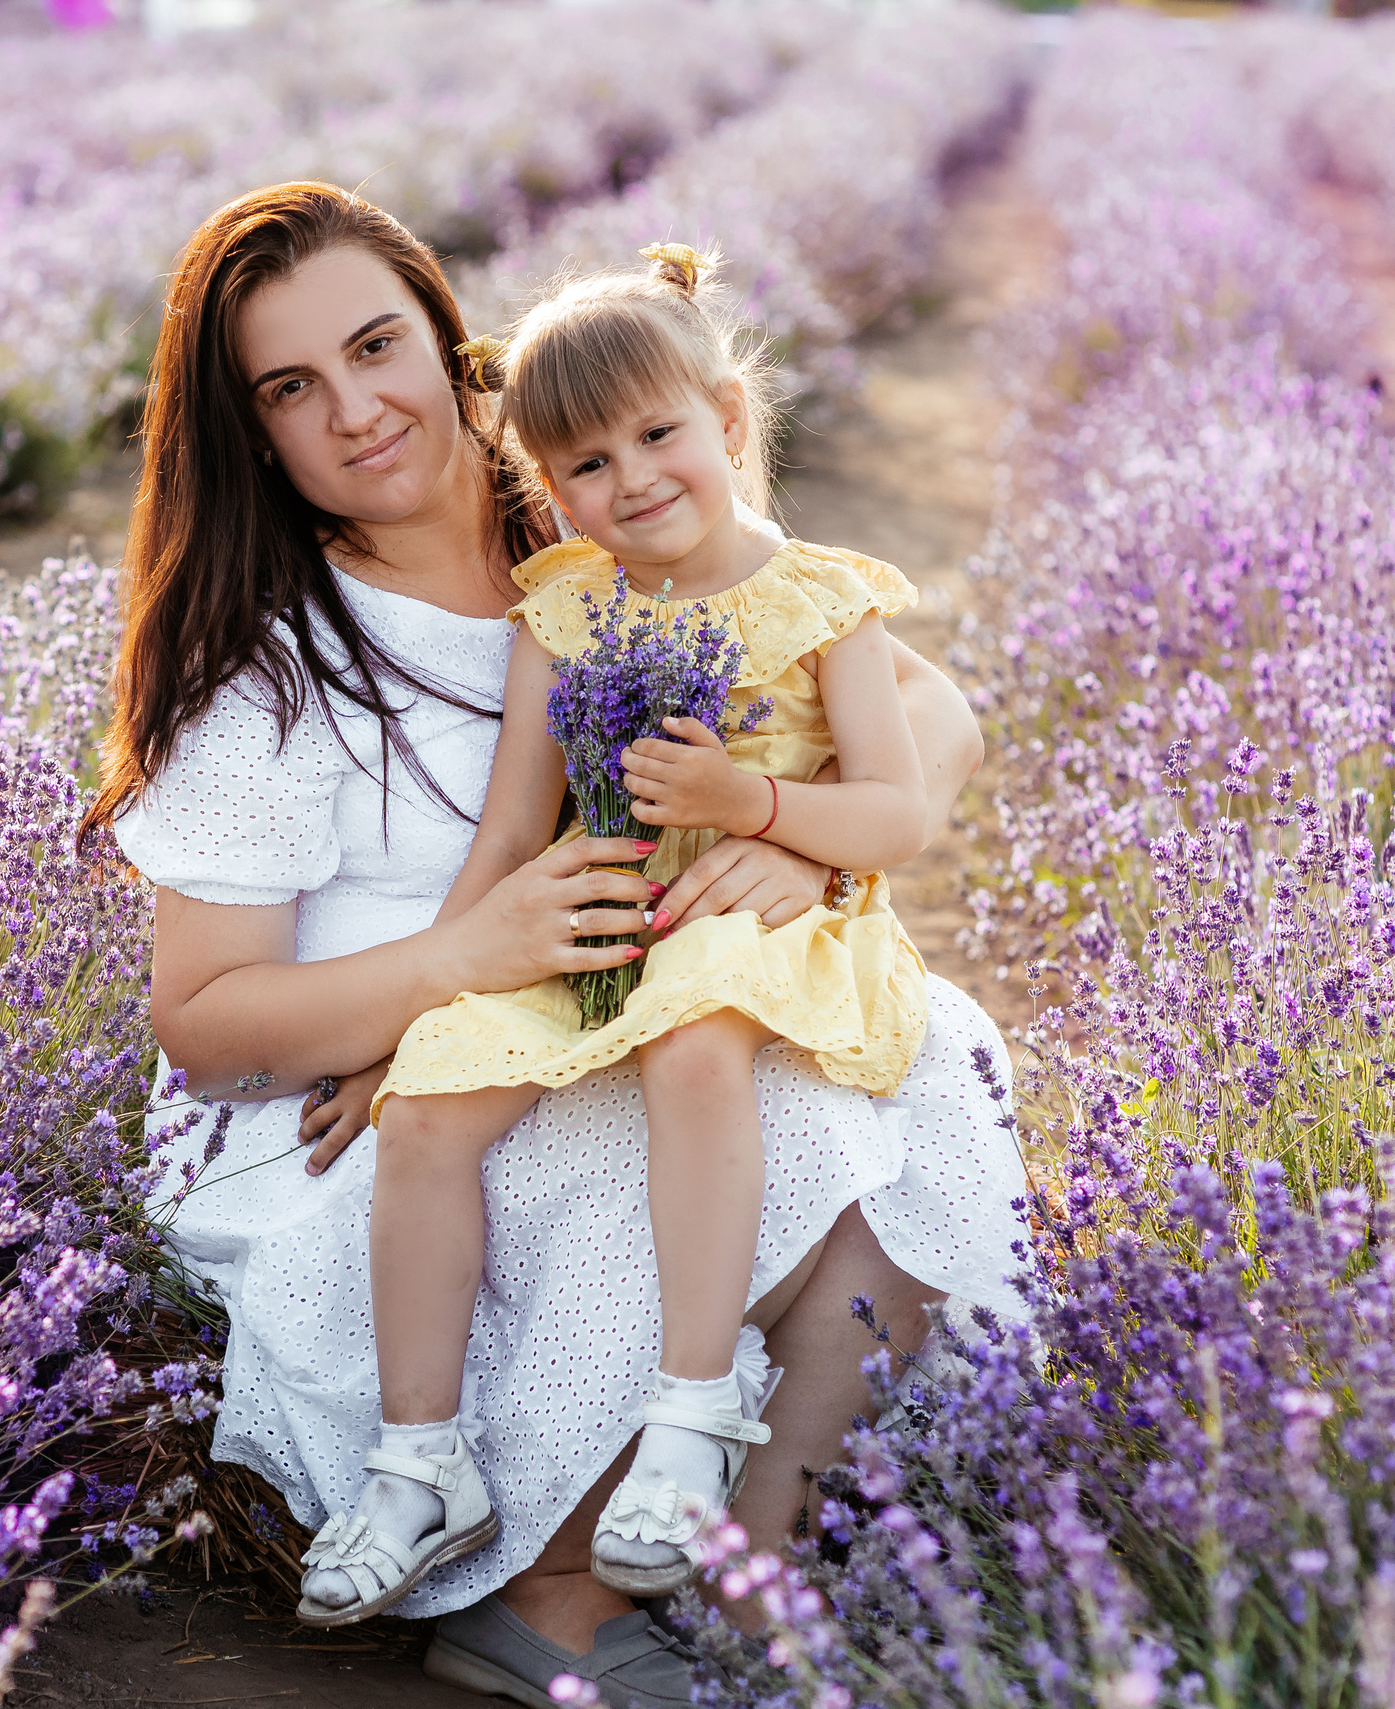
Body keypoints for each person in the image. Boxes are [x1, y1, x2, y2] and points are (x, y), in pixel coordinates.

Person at [83, 182, 1030, 1708]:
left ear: (447, 343)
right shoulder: (273, 666)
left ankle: (749, 1553)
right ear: (255, 434)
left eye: (378, 345)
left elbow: (932, 714)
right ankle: (559, 1601)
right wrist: (446, 981)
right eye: (292, 389)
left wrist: (781, 835)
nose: (357, 408)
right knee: (729, 1117)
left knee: (929, 1061)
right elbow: (202, 1023)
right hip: (332, 1096)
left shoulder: (596, 511)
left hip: (597, 995)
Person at [296, 243, 950, 1627]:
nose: (633, 478)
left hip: (757, 926)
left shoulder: (822, 597)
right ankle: (421, 1460)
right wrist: (410, 1025)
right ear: (548, 486)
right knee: (427, 1108)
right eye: (586, 462)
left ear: (726, 418)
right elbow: (510, 835)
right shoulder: (570, 607)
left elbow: (895, 814)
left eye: (659, 434)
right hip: (600, 923)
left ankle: (693, 1408)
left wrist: (753, 804)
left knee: (700, 1032)